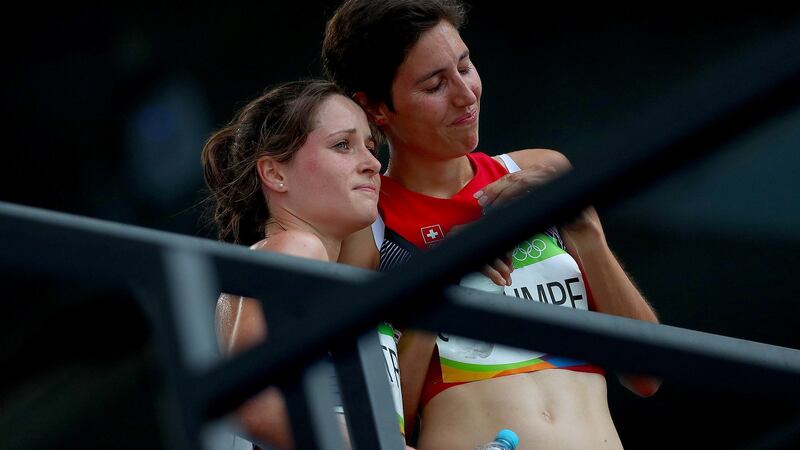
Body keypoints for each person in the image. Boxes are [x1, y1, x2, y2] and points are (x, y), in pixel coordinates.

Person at [323, 1, 662, 448]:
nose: (465, 94)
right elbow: (383, 424)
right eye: (434, 84)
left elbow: (647, 374)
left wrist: (585, 231)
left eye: (465, 66)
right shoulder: (368, 223)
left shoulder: (543, 172)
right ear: (375, 109)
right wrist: (438, 283)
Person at [202, 79, 398, 449]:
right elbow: (252, 402)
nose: (373, 163)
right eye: (343, 145)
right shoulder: (295, 247)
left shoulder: (310, 266)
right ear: (275, 174)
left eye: (370, 147)